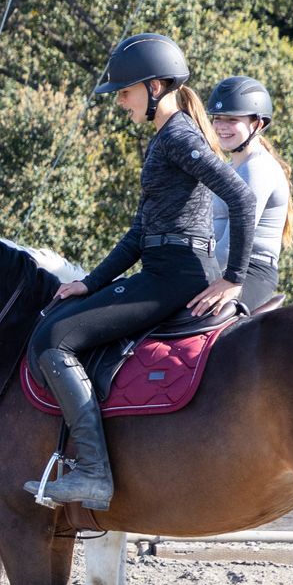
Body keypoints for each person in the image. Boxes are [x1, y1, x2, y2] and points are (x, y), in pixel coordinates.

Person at [23, 34, 255, 510]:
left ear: (153, 87)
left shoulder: (180, 137)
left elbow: (241, 197)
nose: (121, 103)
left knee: (54, 339)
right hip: (161, 266)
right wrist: (91, 282)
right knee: (63, 317)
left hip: (177, 276)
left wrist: (234, 276)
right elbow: (138, 232)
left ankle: (92, 473)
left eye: (125, 93)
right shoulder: (164, 139)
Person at [207, 75, 293, 312]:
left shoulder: (258, 168)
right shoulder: (228, 168)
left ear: (257, 124)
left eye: (232, 119)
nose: (221, 126)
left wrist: (189, 271)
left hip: (251, 271)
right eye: (217, 119)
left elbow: (230, 245)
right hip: (220, 268)